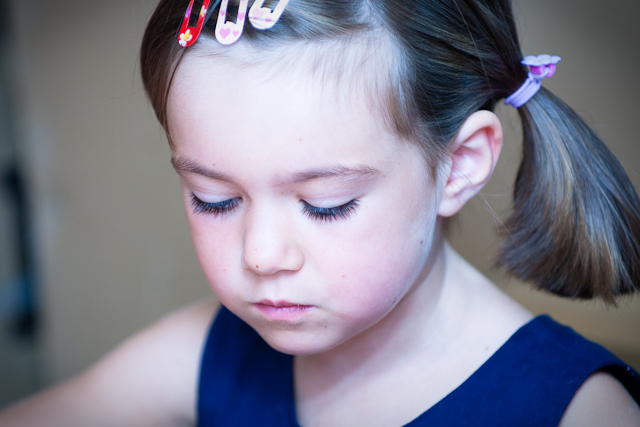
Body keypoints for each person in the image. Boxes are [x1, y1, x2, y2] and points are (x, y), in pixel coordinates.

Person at [1, 0, 639, 425]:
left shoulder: (580, 410)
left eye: (325, 205)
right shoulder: (208, 351)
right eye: (213, 198)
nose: (261, 255)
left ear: (460, 165)